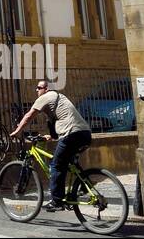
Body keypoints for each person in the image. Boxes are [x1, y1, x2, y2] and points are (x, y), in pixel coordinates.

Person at [10, 80, 92, 211]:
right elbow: (56, 127)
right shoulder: (59, 99)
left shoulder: (46, 97)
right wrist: (49, 136)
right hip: (85, 134)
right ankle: (84, 187)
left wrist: (18, 130)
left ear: (46, 89)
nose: (36, 90)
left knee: (56, 165)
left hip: (71, 134)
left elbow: (29, 115)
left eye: (39, 88)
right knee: (69, 161)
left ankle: (57, 201)